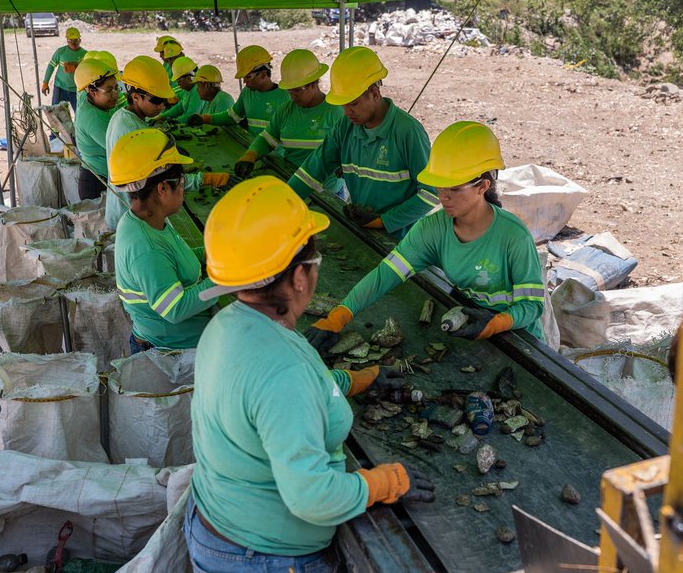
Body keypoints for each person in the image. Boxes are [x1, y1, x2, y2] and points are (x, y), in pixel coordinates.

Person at [185, 176, 435, 573]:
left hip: (223, 529)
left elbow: (270, 398)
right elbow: (312, 496)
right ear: (300, 277)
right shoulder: (283, 372)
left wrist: (354, 380)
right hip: (262, 564)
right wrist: (381, 483)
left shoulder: (228, 324)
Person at [307, 122, 547, 350]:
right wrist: (339, 316)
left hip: (519, 339)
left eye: (453, 188)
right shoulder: (432, 229)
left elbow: (532, 305)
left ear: (482, 186)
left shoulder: (513, 237)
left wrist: (498, 323)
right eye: (440, 186)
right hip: (470, 325)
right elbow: (384, 275)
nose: (443, 197)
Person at [287, 46, 436, 238]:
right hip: (364, 232)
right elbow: (314, 168)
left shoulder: (407, 132)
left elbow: (431, 194)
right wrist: (284, 201)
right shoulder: (345, 127)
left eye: (353, 103)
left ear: (374, 93)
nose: (347, 111)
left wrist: (383, 221)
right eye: (343, 105)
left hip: (402, 241)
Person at [110, 128, 216, 352]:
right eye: (181, 182)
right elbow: (175, 309)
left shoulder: (147, 220)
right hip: (172, 355)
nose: (183, 189)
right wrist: (227, 282)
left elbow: (173, 258)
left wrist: (207, 252)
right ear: (163, 188)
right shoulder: (145, 246)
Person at [234, 48, 343, 179]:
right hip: (292, 180)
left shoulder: (336, 111)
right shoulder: (285, 110)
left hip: (325, 193)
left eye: (296, 90)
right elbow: (267, 138)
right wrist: (250, 156)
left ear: (314, 82)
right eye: (289, 90)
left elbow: (352, 148)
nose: (292, 95)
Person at [104, 55, 178, 229]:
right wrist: (202, 179)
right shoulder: (133, 131)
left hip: (122, 210)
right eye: (156, 100)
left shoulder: (121, 116)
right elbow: (159, 178)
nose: (162, 106)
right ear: (136, 96)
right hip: (129, 215)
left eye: (164, 100)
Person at [186, 44, 289, 137]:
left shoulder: (285, 96)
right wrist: (204, 118)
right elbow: (232, 116)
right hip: (254, 151)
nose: (244, 82)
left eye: (248, 77)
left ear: (263, 74)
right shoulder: (247, 92)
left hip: (277, 156)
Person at [72, 57, 122, 201]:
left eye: (116, 88)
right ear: (92, 92)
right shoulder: (94, 119)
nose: (115, 94)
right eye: (109, 90)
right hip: (97, 183)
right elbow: (121, 149)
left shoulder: (88, 98)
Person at [161, 64, 234, 122]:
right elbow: (179, 107)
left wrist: (175, 121)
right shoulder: (211, 100)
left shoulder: (222, 102)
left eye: (198, 86)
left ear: (207, 85)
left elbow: (220, 131)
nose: (197, 89)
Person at [42, 27, 87, 113]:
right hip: (60, 87)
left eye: (75, 40)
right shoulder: (60, 52)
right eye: (71, 40)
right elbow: (51, 66)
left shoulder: (85, 54)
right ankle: (56, 127)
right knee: (56, 113)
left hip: (77, 90)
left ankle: (77, 127)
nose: (73, 43)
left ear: (80, 40)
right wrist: (45, 82)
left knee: (79, 113)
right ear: (67, 40)